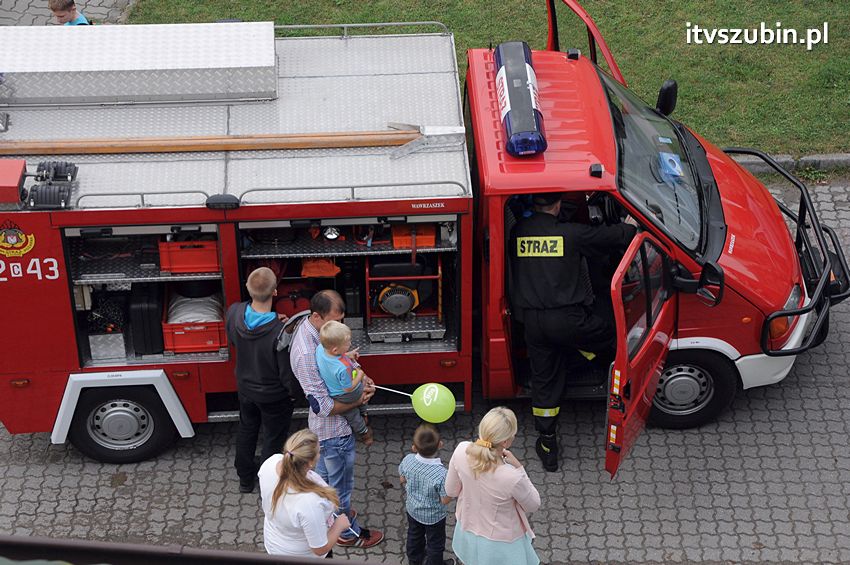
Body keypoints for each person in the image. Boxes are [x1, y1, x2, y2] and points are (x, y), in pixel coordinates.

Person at [510, 191, 636, 472]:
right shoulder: (570, 234)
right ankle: (594, 364)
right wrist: (632, 225)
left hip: (531, 323)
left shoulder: (518, 232)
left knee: (545, 380)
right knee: (614, 340)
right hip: (568, 320)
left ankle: (547, 444)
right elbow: (614, 237)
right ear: (557, 206)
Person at [290, 289, 384, 549]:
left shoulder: (319, 334)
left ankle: (325, 521)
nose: (339, 327)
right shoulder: (307, 354)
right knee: (339, 489)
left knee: (322, 483)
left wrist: (361, 378)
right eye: (334, 321)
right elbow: (322, 406)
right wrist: (359, 400)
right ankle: (346, 534)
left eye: (341, 321)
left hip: (328, 435)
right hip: (333, 434)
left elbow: (338, 363)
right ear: (317, 316)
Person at [226, 267, 294, 493]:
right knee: (273, 439)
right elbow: (286, 372)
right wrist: (293, 393)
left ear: (248, 287)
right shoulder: (280, 331)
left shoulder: (234, 312)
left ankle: (245, 479)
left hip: (245, 389)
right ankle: (268, 484)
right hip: (274, 396)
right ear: (275, 292)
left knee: (247, 430)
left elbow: (235, 341)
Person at [445, 407, 541, 565]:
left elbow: (451, 490)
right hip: (501, 543)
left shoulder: (462, 450)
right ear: (505, 442)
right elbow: (533, 504)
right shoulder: (511, 476)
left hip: (468, 529)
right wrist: (519, 467)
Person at [258, 428, 353, 558]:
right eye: (319, 452)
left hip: (274, 544)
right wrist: (339, 526)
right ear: (310, 462)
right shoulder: (309, 502)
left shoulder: (271, 462)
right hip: (302, 557)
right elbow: (319, 549)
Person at [398, 423, 454, 565]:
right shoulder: (442, 474)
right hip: (434, 517)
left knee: (414, 537)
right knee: (435, 544)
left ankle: (415, 560)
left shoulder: (408, 460)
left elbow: (402, 479)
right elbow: (445, 500)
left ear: (414, 447)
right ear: (440, 444)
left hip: (412, 510)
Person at [316, 320, 373, 445]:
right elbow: (349, 388)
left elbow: (333, 356)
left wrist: (347, 354)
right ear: (336, 349)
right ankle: (364, 431)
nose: (350, 344)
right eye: (347, 343)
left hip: (333, 391)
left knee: (358, 398)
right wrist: (360, 374)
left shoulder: (320, 349)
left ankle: (363, 414)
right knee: (362, 392)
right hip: (345, 394)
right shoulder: (343, 368)